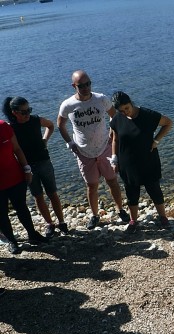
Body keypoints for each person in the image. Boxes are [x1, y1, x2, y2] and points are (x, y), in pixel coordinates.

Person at [57, 70, 130, 230]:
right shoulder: (68, 105)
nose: (85, 88)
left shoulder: (101, 99)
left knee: (112, 181)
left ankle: (121, 210)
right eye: (81, 85)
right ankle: (95, 215)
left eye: (88, 84)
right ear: (73, 86)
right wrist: (70, 142)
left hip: (105, 147)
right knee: (92, 185)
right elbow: (60, 124)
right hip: (83, 152)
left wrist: (112, 133)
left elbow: (114, 116)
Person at [3, 96, 68, 238]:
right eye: (23, 112)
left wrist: (45, 140)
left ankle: (62, 222)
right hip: (27, 167)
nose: (27, 114)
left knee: (53, 193)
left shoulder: (35, 120)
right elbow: (13, 148)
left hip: (44, 161)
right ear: (14, 112)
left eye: (29, 110)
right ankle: (50, 224)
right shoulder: (11, 128)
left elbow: (50, 125)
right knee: (38, 196)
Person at [109, 91, 173, 232]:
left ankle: (163, 217)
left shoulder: (147, 115)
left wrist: (156, 140)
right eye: (121, 110)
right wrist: (114, 158)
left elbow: (168, 123)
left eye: (127, 108)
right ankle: (133, 221)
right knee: (131, 191)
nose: (125, 112)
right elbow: (115, 139)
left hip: (148, 159)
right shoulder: (117, 118)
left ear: (131, 102)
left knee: (154, 188)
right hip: (127, 162)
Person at [0, 120, 48, 254]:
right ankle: (12, 241)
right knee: (1, 213)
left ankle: (32, 234)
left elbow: (17, 149)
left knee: (21, 207)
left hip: (15, 176)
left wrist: (27, 169)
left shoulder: (4, 126)